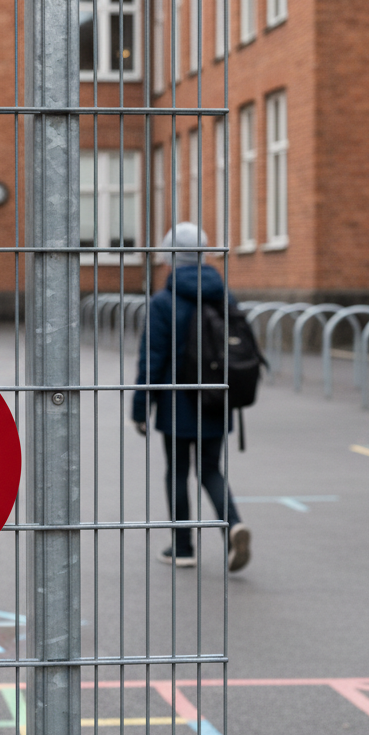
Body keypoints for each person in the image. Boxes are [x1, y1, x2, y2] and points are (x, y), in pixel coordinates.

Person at [132, 223, 251, 572]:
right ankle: (233, 526)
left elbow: (151, 360)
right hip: (216, 397)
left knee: (178, 471)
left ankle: (183, 547)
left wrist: (140, 408)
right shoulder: (224, 296)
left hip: (177, 402)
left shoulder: (163, 302)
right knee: (211, 469)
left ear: (170, 258)